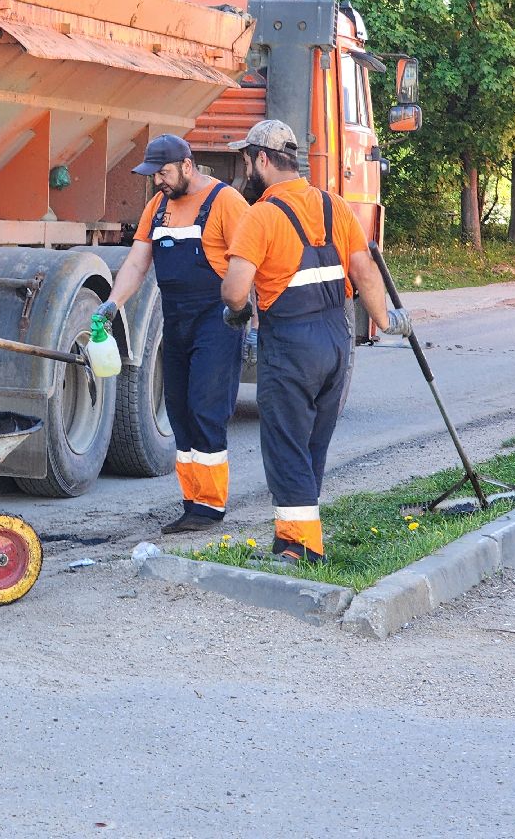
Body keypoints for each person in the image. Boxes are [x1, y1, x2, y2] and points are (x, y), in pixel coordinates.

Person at [219, 120, 411, 564]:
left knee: (286, 445)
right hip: (335, 341)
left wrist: (236, 312)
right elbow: (364, 271)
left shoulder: (260, 215)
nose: (245, 168)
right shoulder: (334, 206)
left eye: (246, 160)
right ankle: (294, 537)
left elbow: (234, 290)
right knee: (310, 447)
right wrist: (387, 320)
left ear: (262, 160)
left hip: (290, 344)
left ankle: (301, 550)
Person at [95, 133, 250, 533]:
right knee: (178, 409)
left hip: (217, 321)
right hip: (175, 320)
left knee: (205, 408)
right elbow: (136, 264)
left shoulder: (226, 203)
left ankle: (211, 507)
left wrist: (250, 311)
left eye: (163, 173)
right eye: (153, 176)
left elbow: (251, 260)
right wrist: (113, 302)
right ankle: (192, 501)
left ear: (186, 165)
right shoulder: (157, 206)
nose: (158, 182)